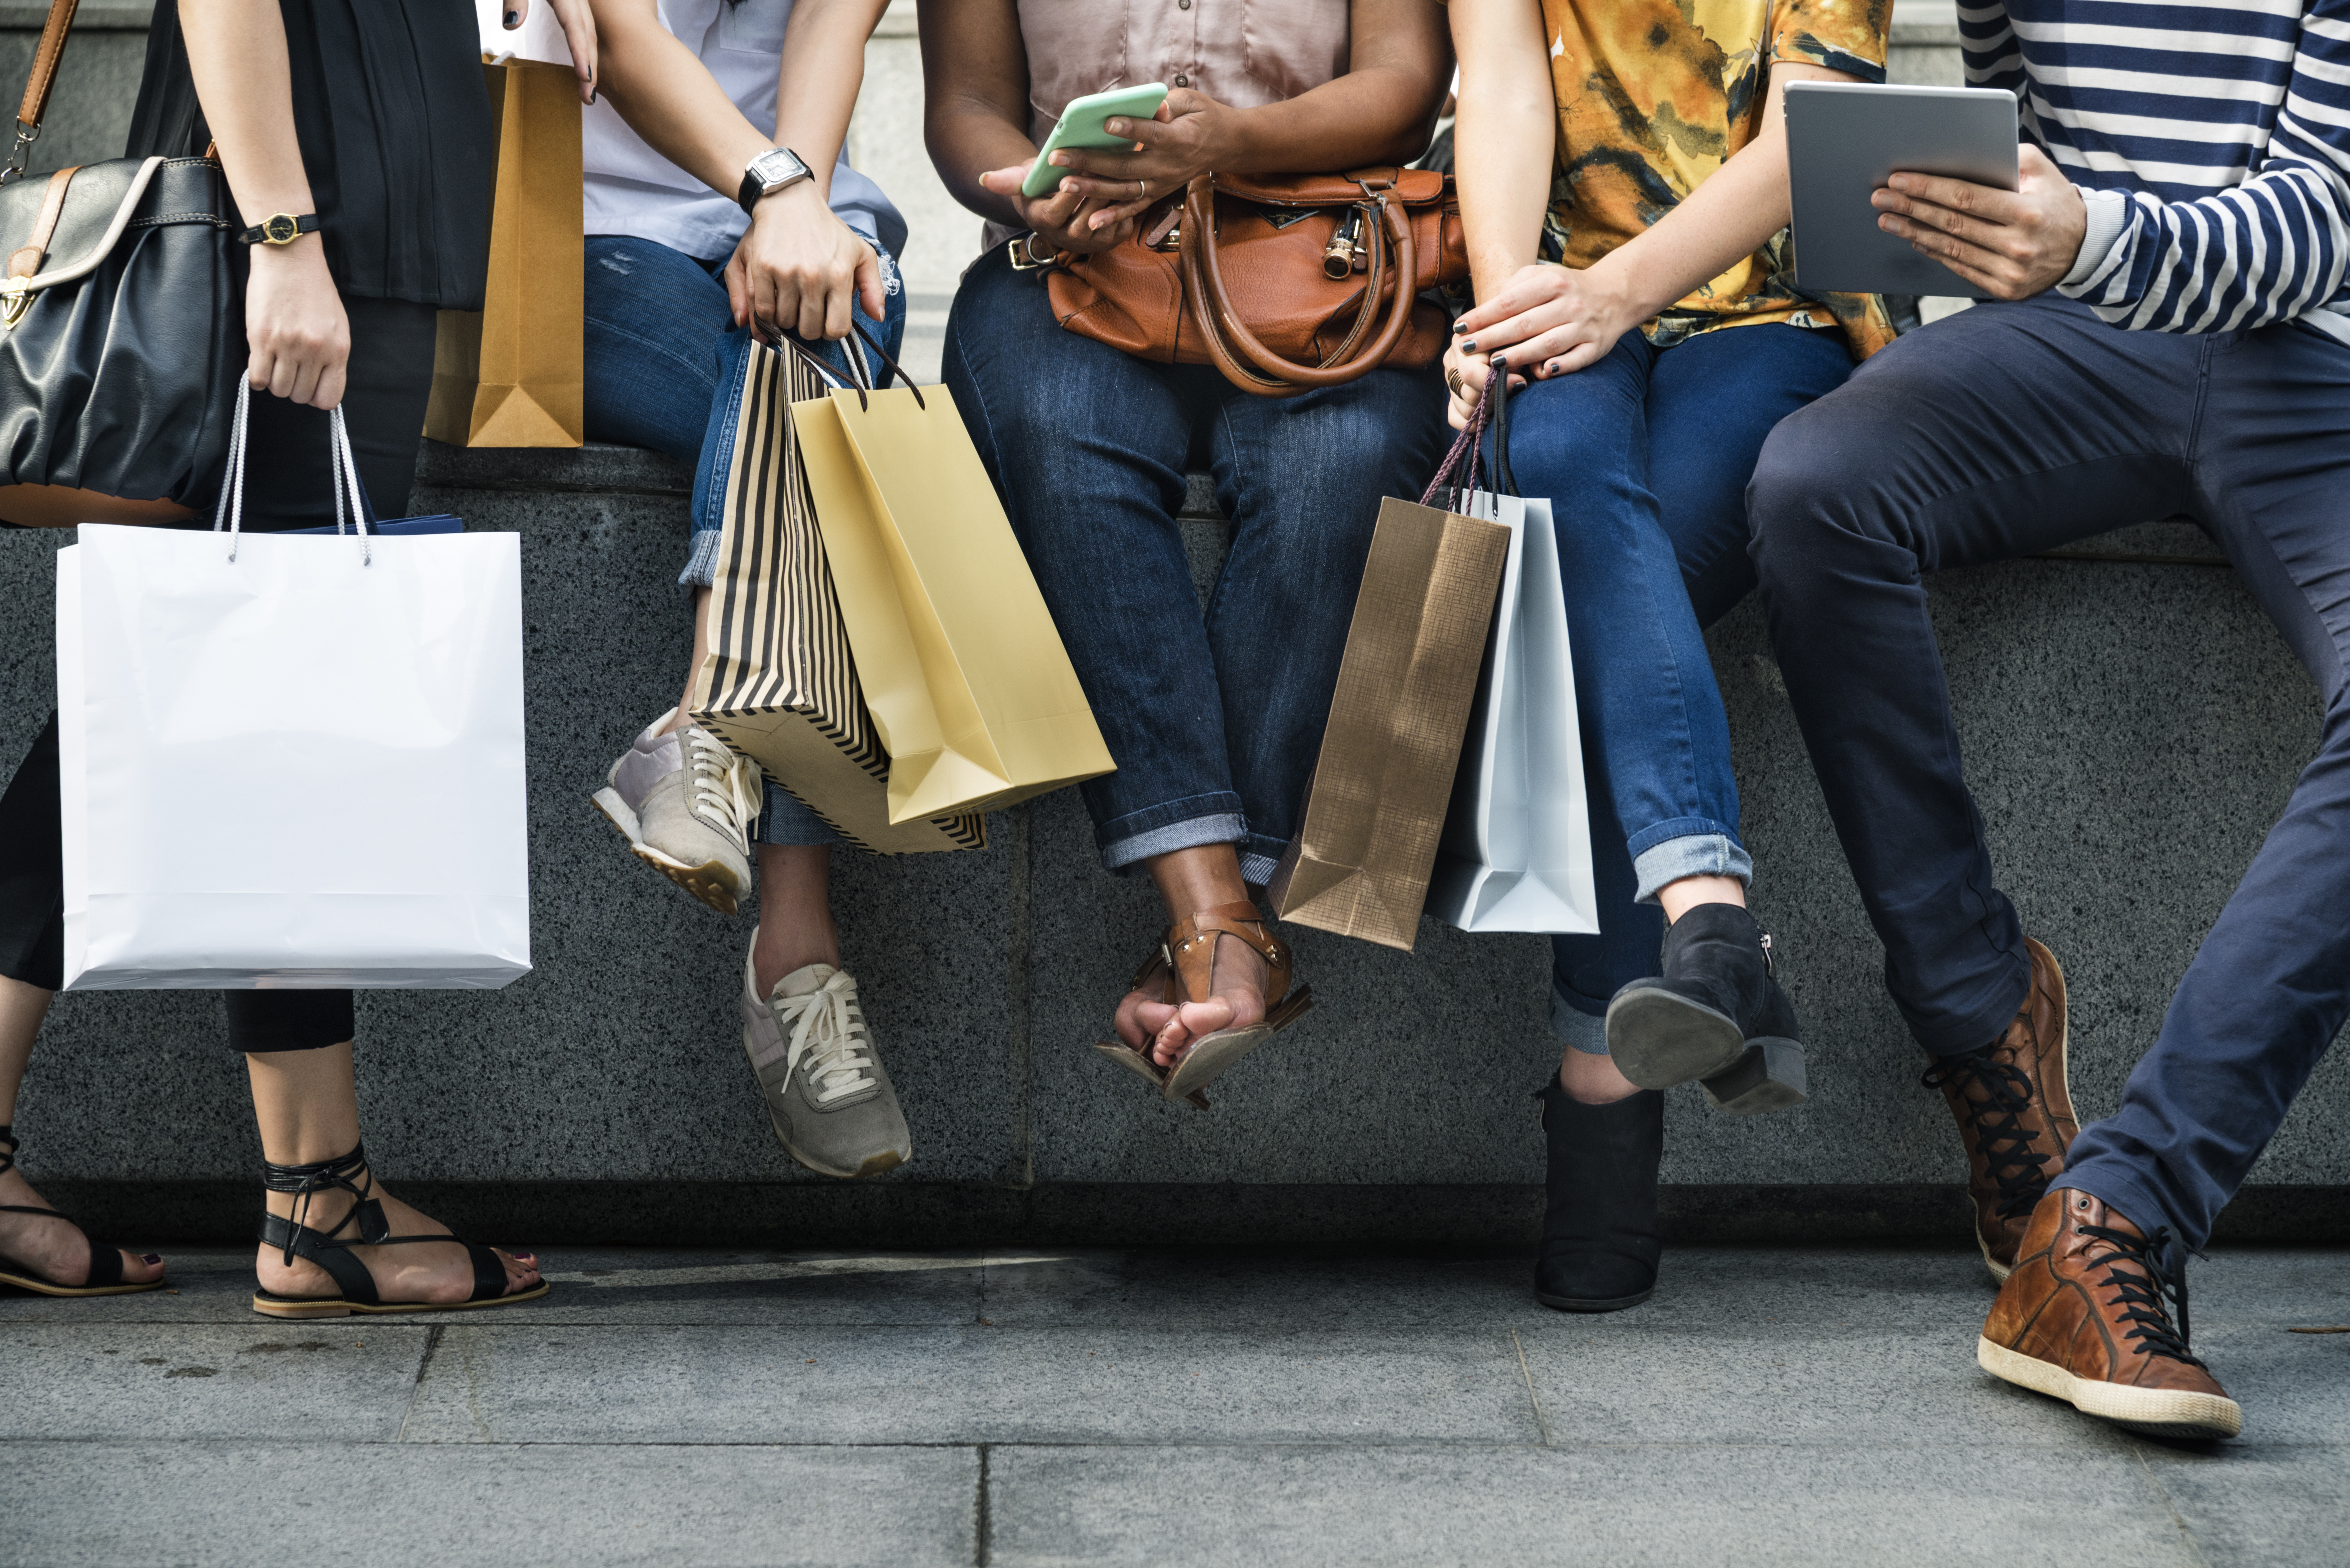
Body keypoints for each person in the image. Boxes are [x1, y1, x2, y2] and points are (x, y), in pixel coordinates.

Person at [1745, 0, 2350, 1440]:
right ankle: (1981, 1018)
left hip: (2323, 355)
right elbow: (1996, 130)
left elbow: (2326, 216)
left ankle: (2114, 1220)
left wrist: (2085, 245)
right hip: (2085, 340)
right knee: (1814, 485)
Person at [0, 0, 575, 1313]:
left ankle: (318, 1194)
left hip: (333, 192)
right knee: (262, 693)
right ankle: (316, 1199)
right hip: (308, 200)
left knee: (193, 695)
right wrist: (283, 232)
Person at [1441, 0, 1892, 1313]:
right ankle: (1713, 930)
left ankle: (1601, 1081)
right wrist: (1500, 311)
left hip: (1773, 315)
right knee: (1570, 466)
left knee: (1598, 582)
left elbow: (1817, 132)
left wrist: (1611, 292)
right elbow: (1503, 86)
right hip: (1558, 303)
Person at [922, 0, 1455, 1106]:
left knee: (1342, 474)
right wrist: (1030, 186)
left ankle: (1214, 933)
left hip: (1322, 263)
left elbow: (1405, 87)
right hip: (1073, 271)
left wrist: (1233, 141)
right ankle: (1220, 922)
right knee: (1060, 447)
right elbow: (965, 104)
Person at [579, 0, 914, 1180]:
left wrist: (800, 209)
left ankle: (707, 740)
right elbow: (621, 38)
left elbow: (831, 16)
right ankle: (796, 952)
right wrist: (775, 193)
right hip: (570, 226)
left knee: (813, 340)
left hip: (790, 210)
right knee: (820, 432)